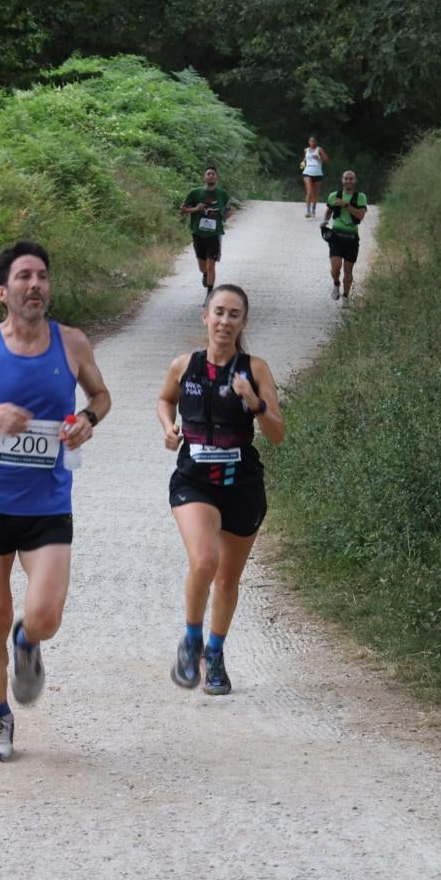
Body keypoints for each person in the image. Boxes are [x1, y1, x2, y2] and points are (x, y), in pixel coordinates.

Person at [0, 241, 112, 761]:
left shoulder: (72, 343)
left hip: (48, 505)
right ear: (2, 292)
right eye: (24, 277)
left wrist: (87, 422)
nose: (36, 285)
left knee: (46, 614)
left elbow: (101, 397)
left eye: (43, 277)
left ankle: (27, 643)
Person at [156, 284, 285, 695]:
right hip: (194, 479)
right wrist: (168, 427)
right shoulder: (184, 365)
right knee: (204, 561)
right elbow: (164, 400)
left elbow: (277, 433)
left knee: (228, 580)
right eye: (219, 312)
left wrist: (254, 402)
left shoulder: (256, 369)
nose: (225, 321)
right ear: (205, 316)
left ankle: (215, 653)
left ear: (243, 322)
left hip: (241, 483)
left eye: (234, 314)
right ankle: (191, 638)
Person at [321, 169, 368, 304]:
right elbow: (329, 210)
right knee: (335, 267)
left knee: (348, 271)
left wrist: (346, 205)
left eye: (351, 179)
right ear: (342, 180)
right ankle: (336, 284)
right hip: (336, 236)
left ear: (355, 181)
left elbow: (361, 215)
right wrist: (325, 221)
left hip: (352, 238)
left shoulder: (361, 197)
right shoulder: (334, 196)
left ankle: (346, 297)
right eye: (346, 178)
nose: (348, 181)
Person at [178, 166, 229, 291]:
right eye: (208, 173)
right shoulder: (194, 193)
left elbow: (227, 211)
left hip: (214, 235)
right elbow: (182, 210)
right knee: (203, 267)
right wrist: (196, 209)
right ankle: (205, 274)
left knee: (211, 265)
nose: (211, 175)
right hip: (198, 234)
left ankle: (209, 294)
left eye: (213, 173)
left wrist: (226, 213)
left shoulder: (223, 194)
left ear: (216, 177)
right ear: (204, 177)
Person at [300, 135, 329, 218]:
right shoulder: (306, 150)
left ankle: (313, 209)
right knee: (309, 192)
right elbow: (305, 159)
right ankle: (308, 211)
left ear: (316, 142)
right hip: (307, 173)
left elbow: (326, 160)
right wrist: (302, 164)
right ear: (308, 142)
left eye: (314, 141)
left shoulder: (319, 149)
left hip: (318, 174)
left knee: (315, 194)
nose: (312, 143)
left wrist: (319, 157)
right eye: (310, 141)